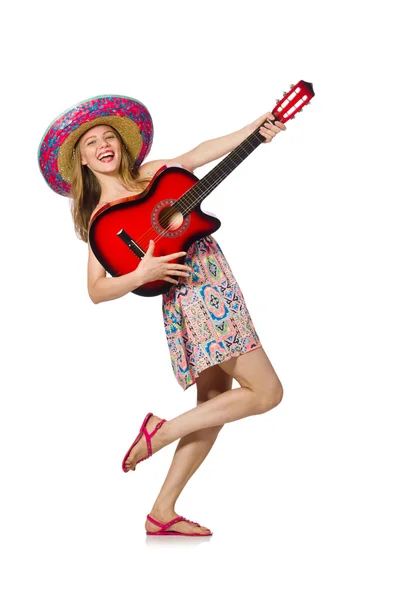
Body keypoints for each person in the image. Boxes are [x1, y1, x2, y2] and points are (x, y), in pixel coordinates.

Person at [38, 94, 286, 537]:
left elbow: (199, 154)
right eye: (91, 142)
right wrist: (142, 272)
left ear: (123, 145)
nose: (102, 145)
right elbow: (96, 291)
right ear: (82, 160)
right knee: (267, 393)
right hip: (195, 295)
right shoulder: (102, 219)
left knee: (213, 403)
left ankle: (162, 512)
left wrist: (256, 129)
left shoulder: (154, 175)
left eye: (108, 136)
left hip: (217, 280)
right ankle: (161, 432)